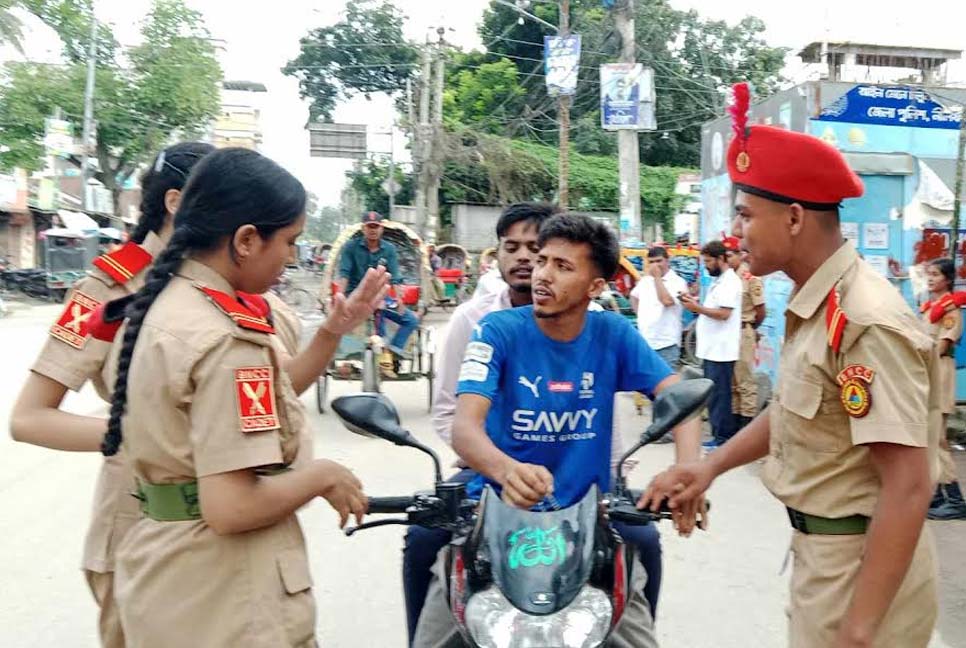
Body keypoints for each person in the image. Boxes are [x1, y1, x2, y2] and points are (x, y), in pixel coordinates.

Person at [645, 83, 940, 647]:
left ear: (796, 218)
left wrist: (859, 629)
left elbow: (908, 484)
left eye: (746, 215)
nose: (735, 233)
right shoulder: (820, 304)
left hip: (860, 570)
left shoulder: (863, 319)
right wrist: (708, 468)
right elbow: (796, 413)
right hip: (826, 558)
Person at [100, 148, 385, 646]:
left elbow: (258, 407)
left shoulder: (165, 305)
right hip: (226, 600)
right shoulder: (227, 339)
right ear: (247, 240)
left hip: (165, 577)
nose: (293, 258)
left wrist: (333, 330)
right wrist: (322, 475)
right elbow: (231, 507)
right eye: (290, 242)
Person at [413, 214, 704, 648]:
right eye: (544, 260)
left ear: (595, 287)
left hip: (589, 516)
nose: (543, 274)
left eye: (563, 267)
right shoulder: (496, 331)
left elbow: (680, 399)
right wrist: (507, 470)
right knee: (424, 552)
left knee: (644, 552)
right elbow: (464, 427)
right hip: (492, 508)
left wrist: (687, 473)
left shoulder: (613, 333)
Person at [9, 141, 214, 648]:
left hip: (223, 520)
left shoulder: (230, 287)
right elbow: (30, 417)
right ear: (174, 203)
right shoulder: (106, 291)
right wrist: (136, 432)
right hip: (136, 523)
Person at [680, 240, 742, 449]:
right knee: (714, 395)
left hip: (721, 350)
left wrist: (696, 307)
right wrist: (694, 303)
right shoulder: (721, 281)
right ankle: (719, 434)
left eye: (708, 261)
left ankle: (722, 438)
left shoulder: (730, 282)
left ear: (720, 259)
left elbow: (724, 314)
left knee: (720, 395)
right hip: (712, 349)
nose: (706, 266)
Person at [336, 211, 420, 359]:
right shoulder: (350, 247)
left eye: (376, 226)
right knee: (336, 322)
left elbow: (395, 276)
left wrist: (400, 300)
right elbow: (344, 274)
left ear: (381, 229)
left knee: (411, 320)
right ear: (364, 228)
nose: (373, 230)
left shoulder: (389, 249)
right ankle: (348, 355)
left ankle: (394, 351)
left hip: (380, 298)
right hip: (354, 296)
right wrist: (340, 299)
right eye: (370, 226)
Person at [920, 258, 966, 520]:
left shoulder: (951, 310)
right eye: (929, 274)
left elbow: (942, 345)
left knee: (938, 439)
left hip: (939, 375)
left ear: (947, 279)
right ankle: (936, 495)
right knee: (929, 438)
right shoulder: (930, 308)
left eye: (935, 274)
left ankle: (955, 499)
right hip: (928, 376)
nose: (930, 279)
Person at [724, 236, 766, 430]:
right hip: (728, 333)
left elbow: (761, 311)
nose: (726, 259)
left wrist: (749, 330)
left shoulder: (750, 278)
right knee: (732, 382)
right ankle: (733, 426)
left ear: (740, 255)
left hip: (743, 331)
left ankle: (745, 426)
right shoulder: (727, 278)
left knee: (745, 381)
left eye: (730, 255)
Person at [630, 245, 689, 370]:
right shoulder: (645, 281)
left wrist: (657, 278)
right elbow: (634, 296)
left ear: (667, 261)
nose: (655, 265)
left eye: (659, 261)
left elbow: (666, 301)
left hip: (667, 343)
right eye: (651, 262)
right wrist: (641, 316)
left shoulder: (677, 282)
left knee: (666, 386)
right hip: (646, 341)